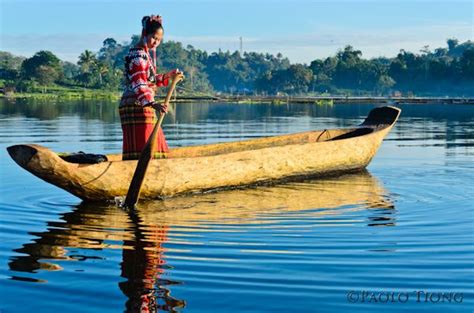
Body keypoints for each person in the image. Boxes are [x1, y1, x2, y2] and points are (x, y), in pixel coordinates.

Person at [119, 15, 183, 160]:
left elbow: (151, 80)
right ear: (144, 34)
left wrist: (169, 76)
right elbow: (140, 83)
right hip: (137, 106)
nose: (156, 42)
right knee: (146, 145)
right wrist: (153, 103)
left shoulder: (143, 55)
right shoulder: (138, 56)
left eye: (159, 40)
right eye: (154, 38)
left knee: (146, 145)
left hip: (139, 104)